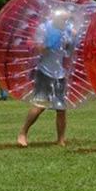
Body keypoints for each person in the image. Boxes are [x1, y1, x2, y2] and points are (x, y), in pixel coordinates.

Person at [17, 8, 73, 147]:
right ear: (56, 18)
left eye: (67, 20)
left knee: (60, 108)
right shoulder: (44, 28)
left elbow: (68, 51)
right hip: (44, 71)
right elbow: (37, 48)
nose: (65, 22)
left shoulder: (67, 30)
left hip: (59, 73)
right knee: (39, 105)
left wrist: (70, 41)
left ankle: (60, 140)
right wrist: (49, 44)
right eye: (63, 20)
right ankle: (23, 133)